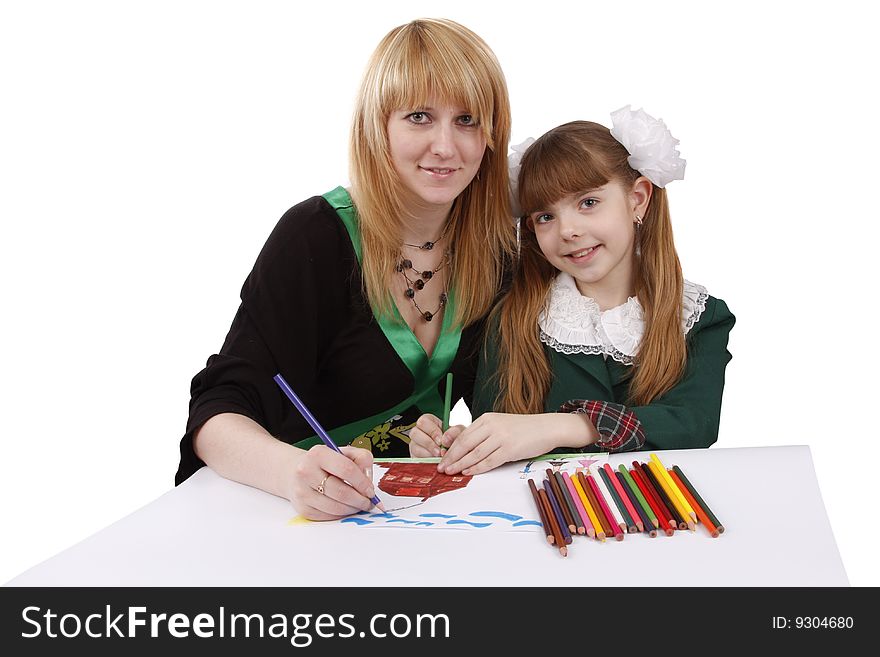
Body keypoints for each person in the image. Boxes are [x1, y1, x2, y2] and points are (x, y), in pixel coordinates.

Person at [175, 18, 515, 520]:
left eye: (467, 120)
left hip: (403, 517)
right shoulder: (315, 234)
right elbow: (215, 417)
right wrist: (295, 475)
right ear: (378, 126)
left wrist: (443, 437)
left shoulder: (494, 249)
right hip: (285, 515)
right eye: (419, 116)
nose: (446, 145)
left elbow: (501, 401)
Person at [410, 107, 735, 475]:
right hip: (548, 516)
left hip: (661, 519)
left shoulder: (697, 315)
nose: (568, 230)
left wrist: (566, 425)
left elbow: (693, 425)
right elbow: (499, 432)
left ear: (639, 198)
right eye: (546, 216)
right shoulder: (513, 319)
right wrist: (459, 445)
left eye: (588, 203)